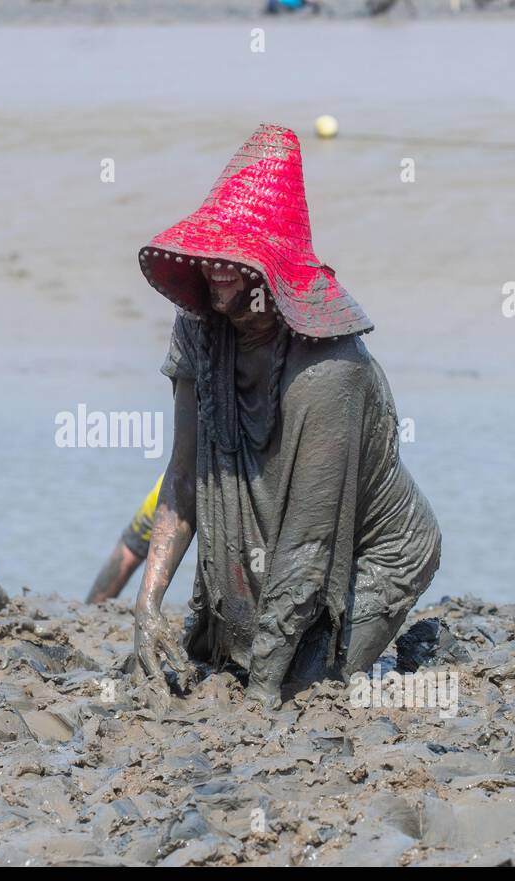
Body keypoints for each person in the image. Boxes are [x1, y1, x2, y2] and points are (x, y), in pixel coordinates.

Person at [131, 124, 442, 709]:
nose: (220, 269)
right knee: (210, 656)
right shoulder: (199, 329)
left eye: (238, 258)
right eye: (213, 254)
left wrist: (263, 693)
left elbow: (311, 540)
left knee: (302, 689)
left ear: (274, 270)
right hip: (270, 532)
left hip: (374, 550)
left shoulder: (329, 369)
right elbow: (183, 478)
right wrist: (146, 604)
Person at [86, 475, 162, 603]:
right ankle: (91, 610)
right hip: (185, 478)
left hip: (189, 477)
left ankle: (91, 609)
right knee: (130, 549)